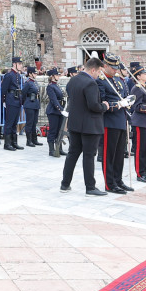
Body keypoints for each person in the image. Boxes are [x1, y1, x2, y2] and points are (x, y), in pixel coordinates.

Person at [60, 57, 109, 197]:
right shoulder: (91, 83)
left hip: (75, 124)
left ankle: (65, 183)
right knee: (88, 156)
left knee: (72, 154)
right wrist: (104, 106)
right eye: (99, 71)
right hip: (90, 125)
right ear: (93, 69)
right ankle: (90, 187)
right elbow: (93, 105)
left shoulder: (73, 80)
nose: (99, 75)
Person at [101, 61, 133, 194]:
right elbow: (101, 101)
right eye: (112, 68)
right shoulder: (101, 81)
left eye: (116, 68)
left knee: (120, 154)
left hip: (121, 119)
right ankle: (109, 184)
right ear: (105, 66)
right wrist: (118, 104)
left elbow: (124, 95)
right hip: (110, 121)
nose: (115, 70)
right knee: (109, 155)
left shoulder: (118, 80)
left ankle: (118, 180)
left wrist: (128, 101)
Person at [0, 57, 25, 151]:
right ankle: (7, 143)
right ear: (14, 64)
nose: (21, 66)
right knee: (9, 123)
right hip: (11, 100)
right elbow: (3, 89)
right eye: (19, 64)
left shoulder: (17, 75)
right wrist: (4, 101)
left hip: (17, 100)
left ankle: (14, 142)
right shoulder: (9, 75)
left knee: (15, 122)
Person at [44, 69, 66, 158]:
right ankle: (51, 150)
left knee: (59, 131)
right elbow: (54, 100)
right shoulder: (50, 86)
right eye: (57, 75)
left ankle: (59, 149)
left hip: (59, 111)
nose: (58, 76)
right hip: (53, 111)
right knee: (53, 131)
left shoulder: (56, 85)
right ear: (52, 76)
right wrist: (60, 109)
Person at [20, 68, 42, 147]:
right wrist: (24, 103)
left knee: (34, 122)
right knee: (30, 123)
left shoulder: (34, 82)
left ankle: (34, 139)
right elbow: (23, 93)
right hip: (29, 104)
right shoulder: (28, 82)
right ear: (30, 74)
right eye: (34, 73)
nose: (36, 74)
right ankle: (29, 141)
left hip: (35, 103)